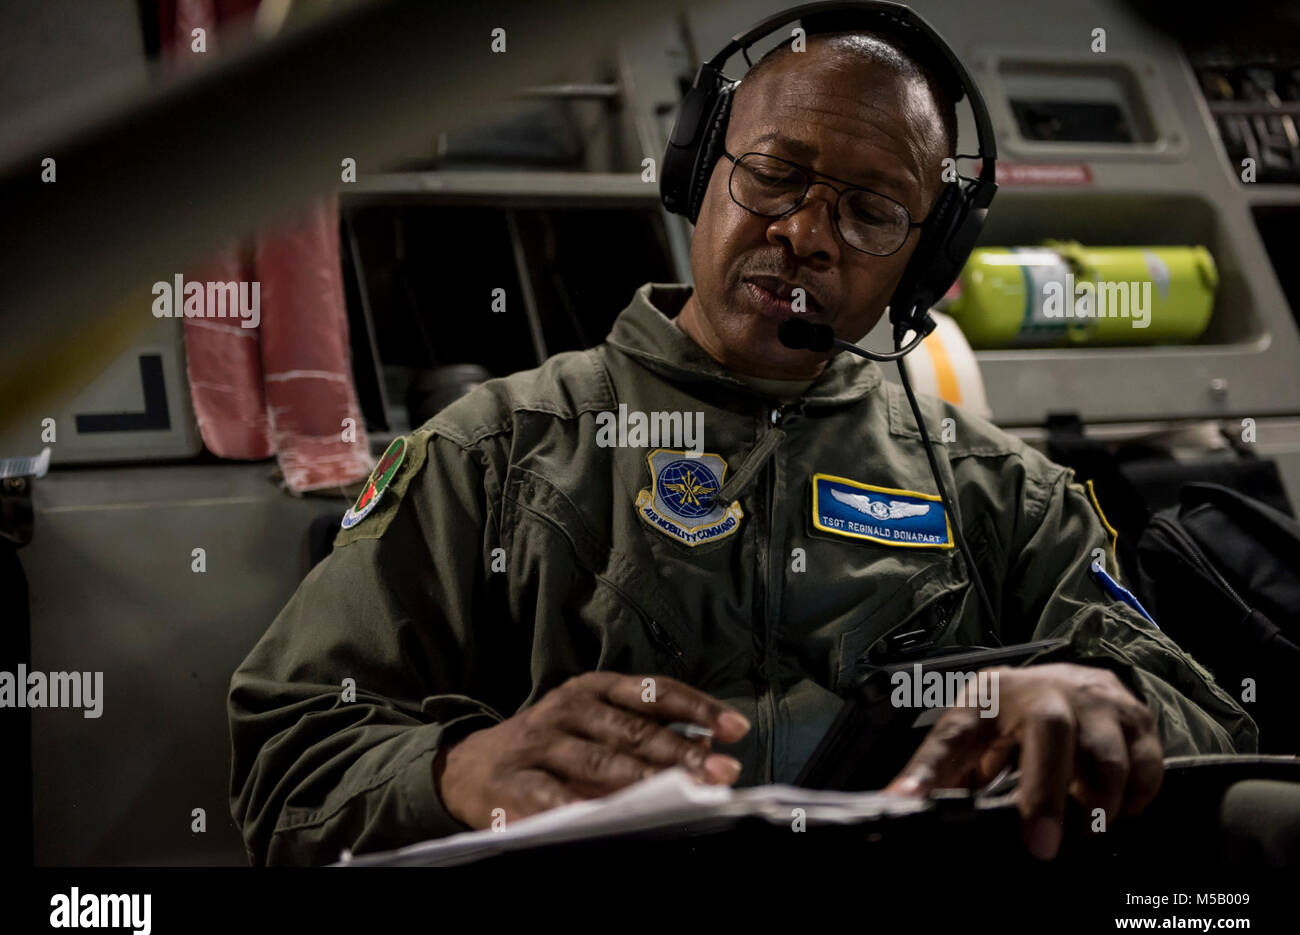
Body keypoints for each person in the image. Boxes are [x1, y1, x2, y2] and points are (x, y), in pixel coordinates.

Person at [228, 25, 1255, 867]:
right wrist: (455, 769)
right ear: (697, 170)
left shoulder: (1008, 495)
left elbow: (1209, 722)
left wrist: (1101, 701)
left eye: (870, 211)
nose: (807, 232)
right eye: (774, 175)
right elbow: (288, 760)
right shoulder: (491, 451)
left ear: (922, 257)